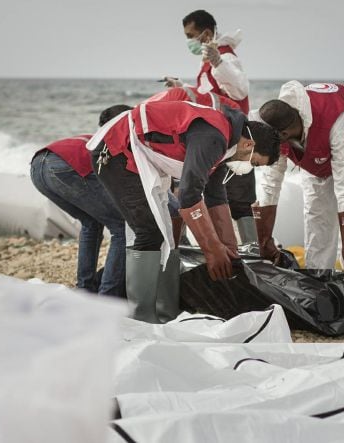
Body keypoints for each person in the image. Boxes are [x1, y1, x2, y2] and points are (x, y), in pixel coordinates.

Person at [88, 100, 280, 323]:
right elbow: (188, 194)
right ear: (249, 145)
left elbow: (215, 195)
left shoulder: (226, 144)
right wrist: (211, 249)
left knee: (171, 232)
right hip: (115, 151)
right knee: (149, 232)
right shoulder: (215, 137)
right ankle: (141, 320)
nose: (248, 168)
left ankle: (166, 314)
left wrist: (228, 248)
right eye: (254, 163)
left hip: (140, 156)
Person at [253, 81, 344, 280]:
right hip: (312, 141)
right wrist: (264, 240)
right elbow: (270, 183)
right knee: (317, 209)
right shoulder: (277, 128)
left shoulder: (336, 121)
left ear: (284, 134)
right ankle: (318, 276)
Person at [163, 10, 258, 244]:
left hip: (232, 134)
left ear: (205, 34)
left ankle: (250, 250)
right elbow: (209, 95)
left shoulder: (226, 57)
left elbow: (240, 89)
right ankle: (225, 248)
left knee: (238, 197)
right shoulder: (208, 60)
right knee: (212, 190)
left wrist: (218, 61)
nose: (188, 41)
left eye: (190, 35)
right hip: (216, 135)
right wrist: (181, 86)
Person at [30, 104, 130, 297]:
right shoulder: (117, 140)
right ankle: (108, 296)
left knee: (91, 222)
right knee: (121, 226)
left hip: (38, 166)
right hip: (64, 167)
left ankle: (85, 289)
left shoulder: (90, 137)